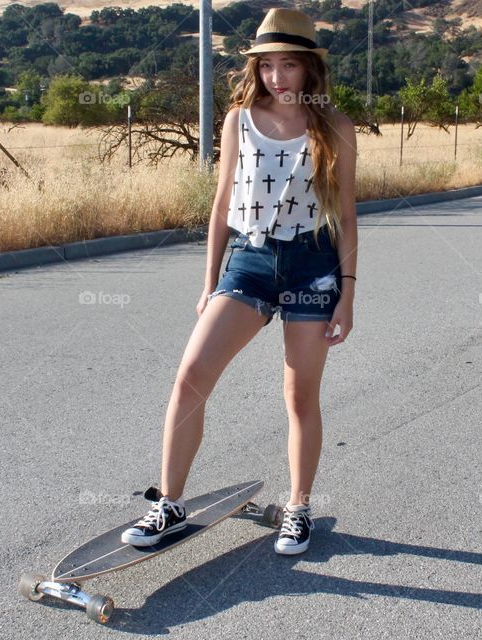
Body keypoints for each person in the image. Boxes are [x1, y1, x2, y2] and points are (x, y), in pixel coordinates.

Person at [122, 8, 358, 556]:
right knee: (191, 377)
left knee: (300, 395)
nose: (277, 76)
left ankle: (297, 508)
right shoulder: (238, 121)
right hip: (248, 261)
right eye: (268, 65)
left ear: (308, 69)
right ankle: (169, 506)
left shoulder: (334, 126)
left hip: (313, 264)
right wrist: (210, 283)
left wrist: (348, 291)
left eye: (288, 65)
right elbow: (223, 204)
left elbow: (346, 215)